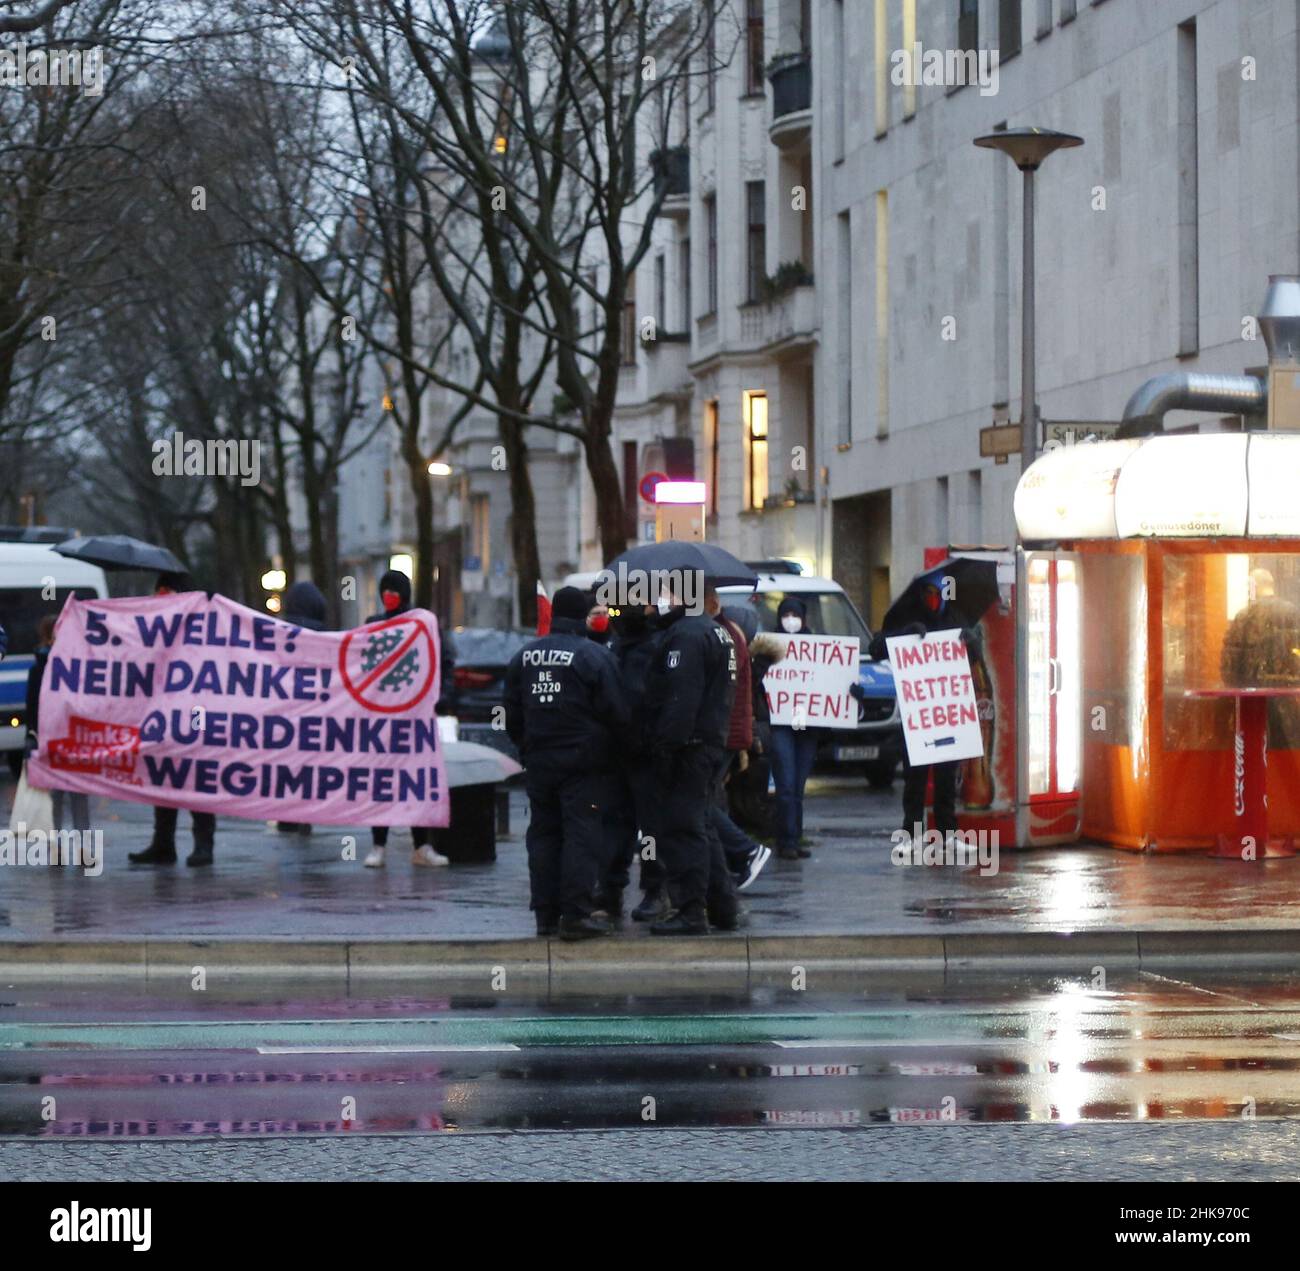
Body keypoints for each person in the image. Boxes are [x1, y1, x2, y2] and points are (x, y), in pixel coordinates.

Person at [503, 585, 629, 940]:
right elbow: (617, 712)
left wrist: (527, 746)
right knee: (581, 835)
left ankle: (545, 914)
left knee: (543, 834)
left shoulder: (524, 657)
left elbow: (510, 712)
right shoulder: (594, 657)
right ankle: (575, 914)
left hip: (540, 761)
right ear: (581, 616)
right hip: (583, 764)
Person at [644, 582, 740, 936]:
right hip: (709, 742)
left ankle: (691, 910)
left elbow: (680, 701)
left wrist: (667, 746)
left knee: (683, 829)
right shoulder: (716, 632)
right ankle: (723, 906)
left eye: (667, 593)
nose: (660, 601)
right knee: (702, 825)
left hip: (688, 748)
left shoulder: (686, 635)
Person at [868, 579, 979, 844]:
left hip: (947, 711)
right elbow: (876, 649)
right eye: (929, 592)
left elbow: (973, 656)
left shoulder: (956, 617)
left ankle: (947, 832)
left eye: (939, 592)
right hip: (918, 713)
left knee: (946, 775)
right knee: (914, 777)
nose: (934, 597)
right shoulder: (906, 615)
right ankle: (912, 833)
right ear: (921, 593)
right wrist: (903, 634)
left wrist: (972, 642)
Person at [362, 569, 450, 868]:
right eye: (384, 590)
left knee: (417, 780)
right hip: (381, 718)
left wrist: (441, 695)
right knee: (382, 781)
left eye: (393, 590)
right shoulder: (372, 627)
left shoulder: (422, 625)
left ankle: (421, 845)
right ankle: (378, 845)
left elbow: (444, 661)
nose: (388, 596)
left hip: (414, 716)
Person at [130, 571, 218, 867]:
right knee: (163, 771)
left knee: (195, 773)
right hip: (164, 709)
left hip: (197, 710)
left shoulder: (204, 619)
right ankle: (163, 842)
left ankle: (203, 843)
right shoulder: (159, 625)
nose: (159, 597)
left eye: (164, 591)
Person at [598, 601, 669, 924]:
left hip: (646, 752)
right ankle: (612, 888)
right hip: (619, 751)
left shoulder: (656, 646)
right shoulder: (614, 647)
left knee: (651, 829)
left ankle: (655, 889)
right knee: (616, 825)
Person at [703, 586, 770, 892]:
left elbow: (724, 692)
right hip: (727, 733)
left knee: (701, 803)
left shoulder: (723, 636)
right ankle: (728, 862)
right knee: (710, 799)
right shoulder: (726, 633)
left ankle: (745, 850)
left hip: (722, 734)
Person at [766, 597, 822, 861]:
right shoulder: (768, 648)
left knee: (797, 786)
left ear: (804, 618)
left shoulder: (818, 647)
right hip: (780, 723)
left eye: (794, 614)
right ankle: (785, 840)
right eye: (785, 614)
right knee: (786, 784)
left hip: (806, 724)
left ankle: (794, 838)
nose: (790, 619)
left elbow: (830, 682)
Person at [25, 613, 91, 839]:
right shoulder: (74, 664)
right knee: (70, 795)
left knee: (64, 796)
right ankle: (70, 845)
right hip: (63, 738)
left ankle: (65, 845)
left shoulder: (41, 666)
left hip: (62, 738)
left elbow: (31, 708)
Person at [276, 581, 330, 836]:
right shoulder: (324, 637)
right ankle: (307, 811)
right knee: (310, 765)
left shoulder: (280, 633)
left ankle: (289, 813)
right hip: (314, 712)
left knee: (289, 763)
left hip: (287, 711)